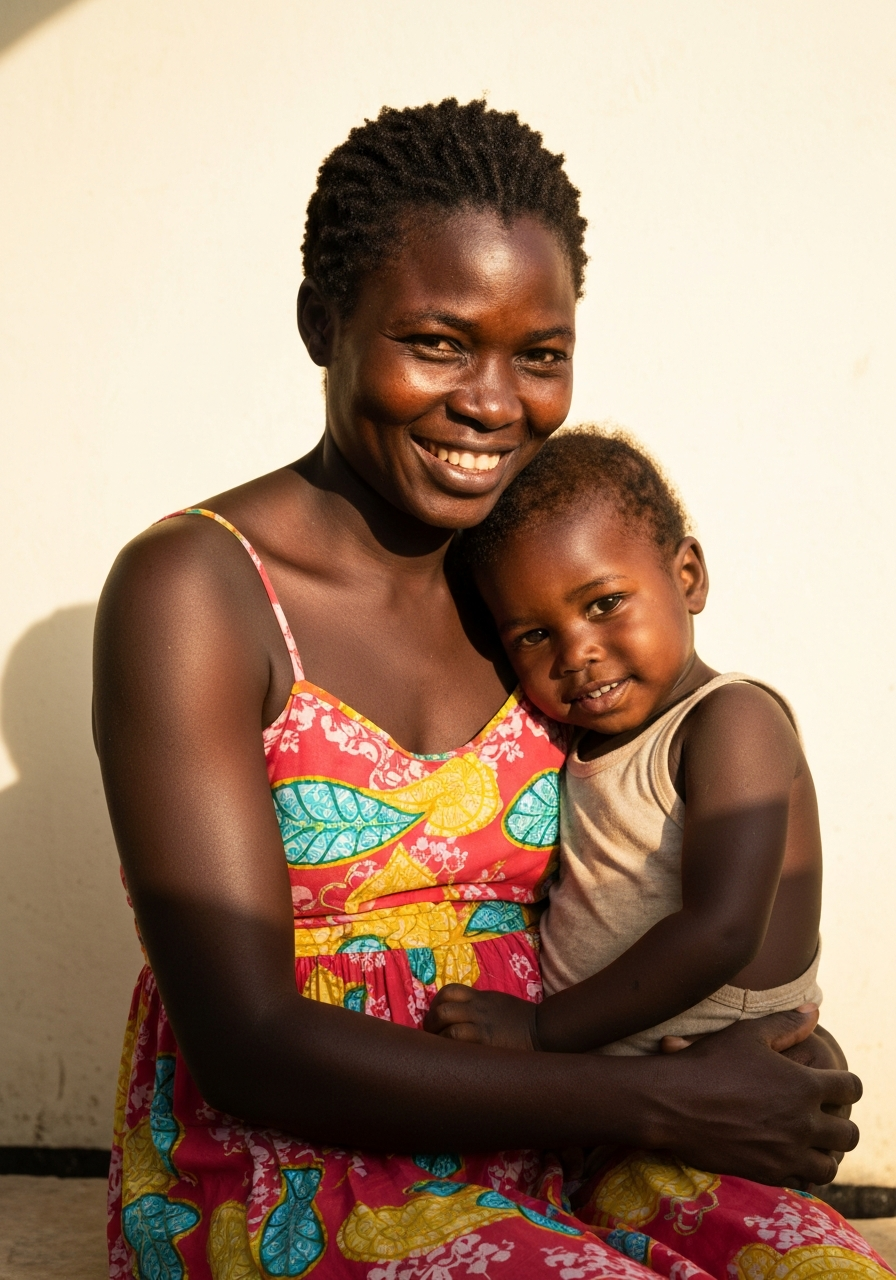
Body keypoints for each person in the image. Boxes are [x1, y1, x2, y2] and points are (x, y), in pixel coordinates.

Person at [93, 99, 884, 1279]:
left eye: (540, 352)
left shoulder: (524, 591)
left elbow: (684, 813)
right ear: (323, 323)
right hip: (300, 1164)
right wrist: (663, 1104)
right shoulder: (196, 591)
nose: (493, 402)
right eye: (439, 341)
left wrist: (761, 1051)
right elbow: (246, 1044)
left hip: (571, 1123)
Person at [426, 426, 823, 1058]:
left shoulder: (731, 721)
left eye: (605, 603)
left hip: (720, 1076)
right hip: (622, 1089)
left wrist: (538, 1030)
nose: (576, 652)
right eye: (532, 635)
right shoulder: (575, 741)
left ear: (688, 576)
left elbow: (722, 930)